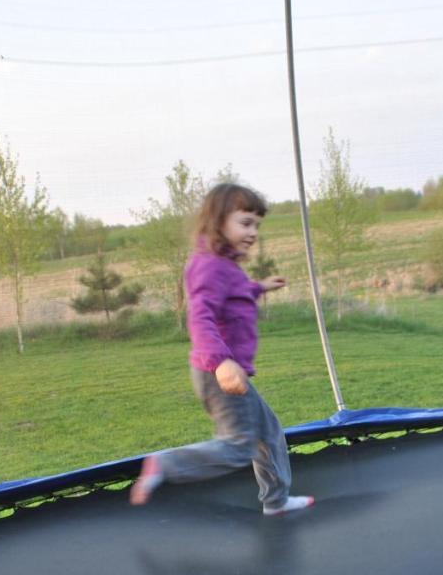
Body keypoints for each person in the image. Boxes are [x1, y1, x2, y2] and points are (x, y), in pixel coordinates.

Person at [130, 182, 314, 516]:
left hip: (228, 370)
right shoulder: (209, 265)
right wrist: (222, 362)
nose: (253, 232)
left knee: (269, 432)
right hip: (219, 372)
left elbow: (234, 298)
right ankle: (165, 465)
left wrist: (259, 287)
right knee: (240, 446)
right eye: (245, 223)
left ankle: (276, 501)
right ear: (218, 222)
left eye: (257, 225)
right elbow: (201, 316)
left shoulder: (225, 265)